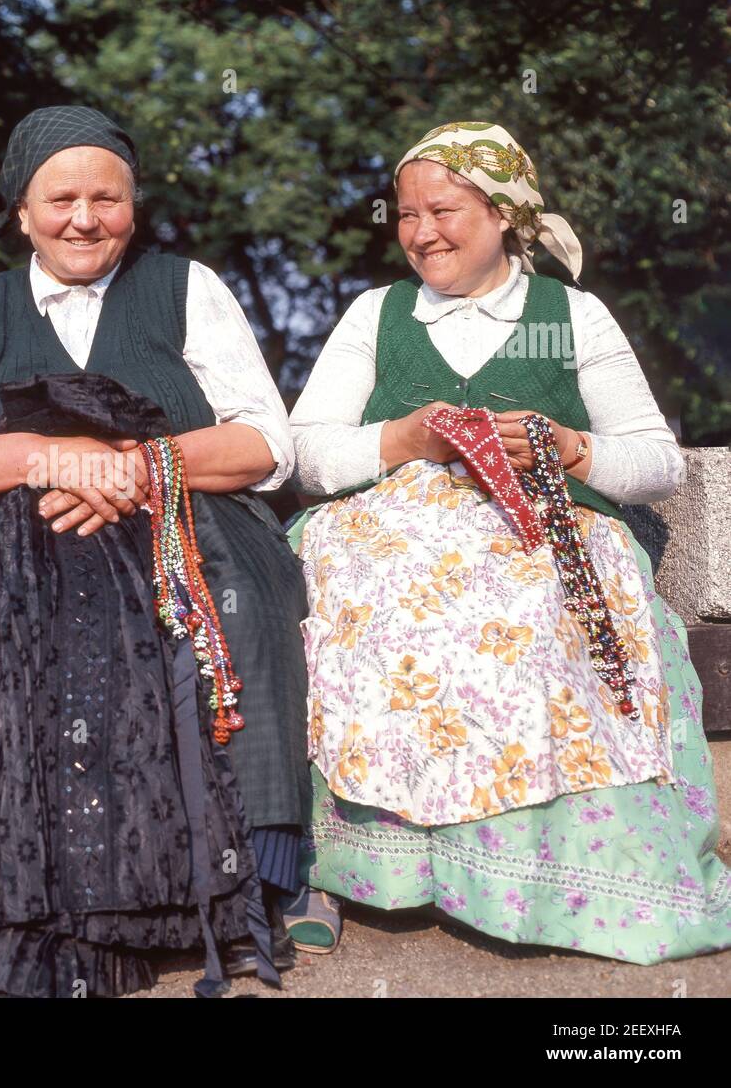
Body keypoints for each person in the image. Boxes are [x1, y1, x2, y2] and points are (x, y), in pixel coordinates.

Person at [0, 106, 311, 996]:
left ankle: (242, 891)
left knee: (238, 604)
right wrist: (50, 458)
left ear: (133, 205)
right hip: (9, 531)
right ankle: (1, 887)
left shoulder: (187, 289)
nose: (85, 218)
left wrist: (136, 468)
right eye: (62, 198)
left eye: (106, 198)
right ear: (22, 211)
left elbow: (269, 442)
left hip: (180, 520)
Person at [288, 121, 731, 962]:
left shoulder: (572, 315)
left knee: (524, 611)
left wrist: (571, 448)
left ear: (503, 213)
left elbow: (657, 458)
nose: (421, 232)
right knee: (379, 606)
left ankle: (526, 879)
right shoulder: (376, 314)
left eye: (443, 210)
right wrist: (405, 440)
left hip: (545, 526)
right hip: (390, 526)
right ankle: (364, 865)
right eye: (407, 215)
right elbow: (305, 446)